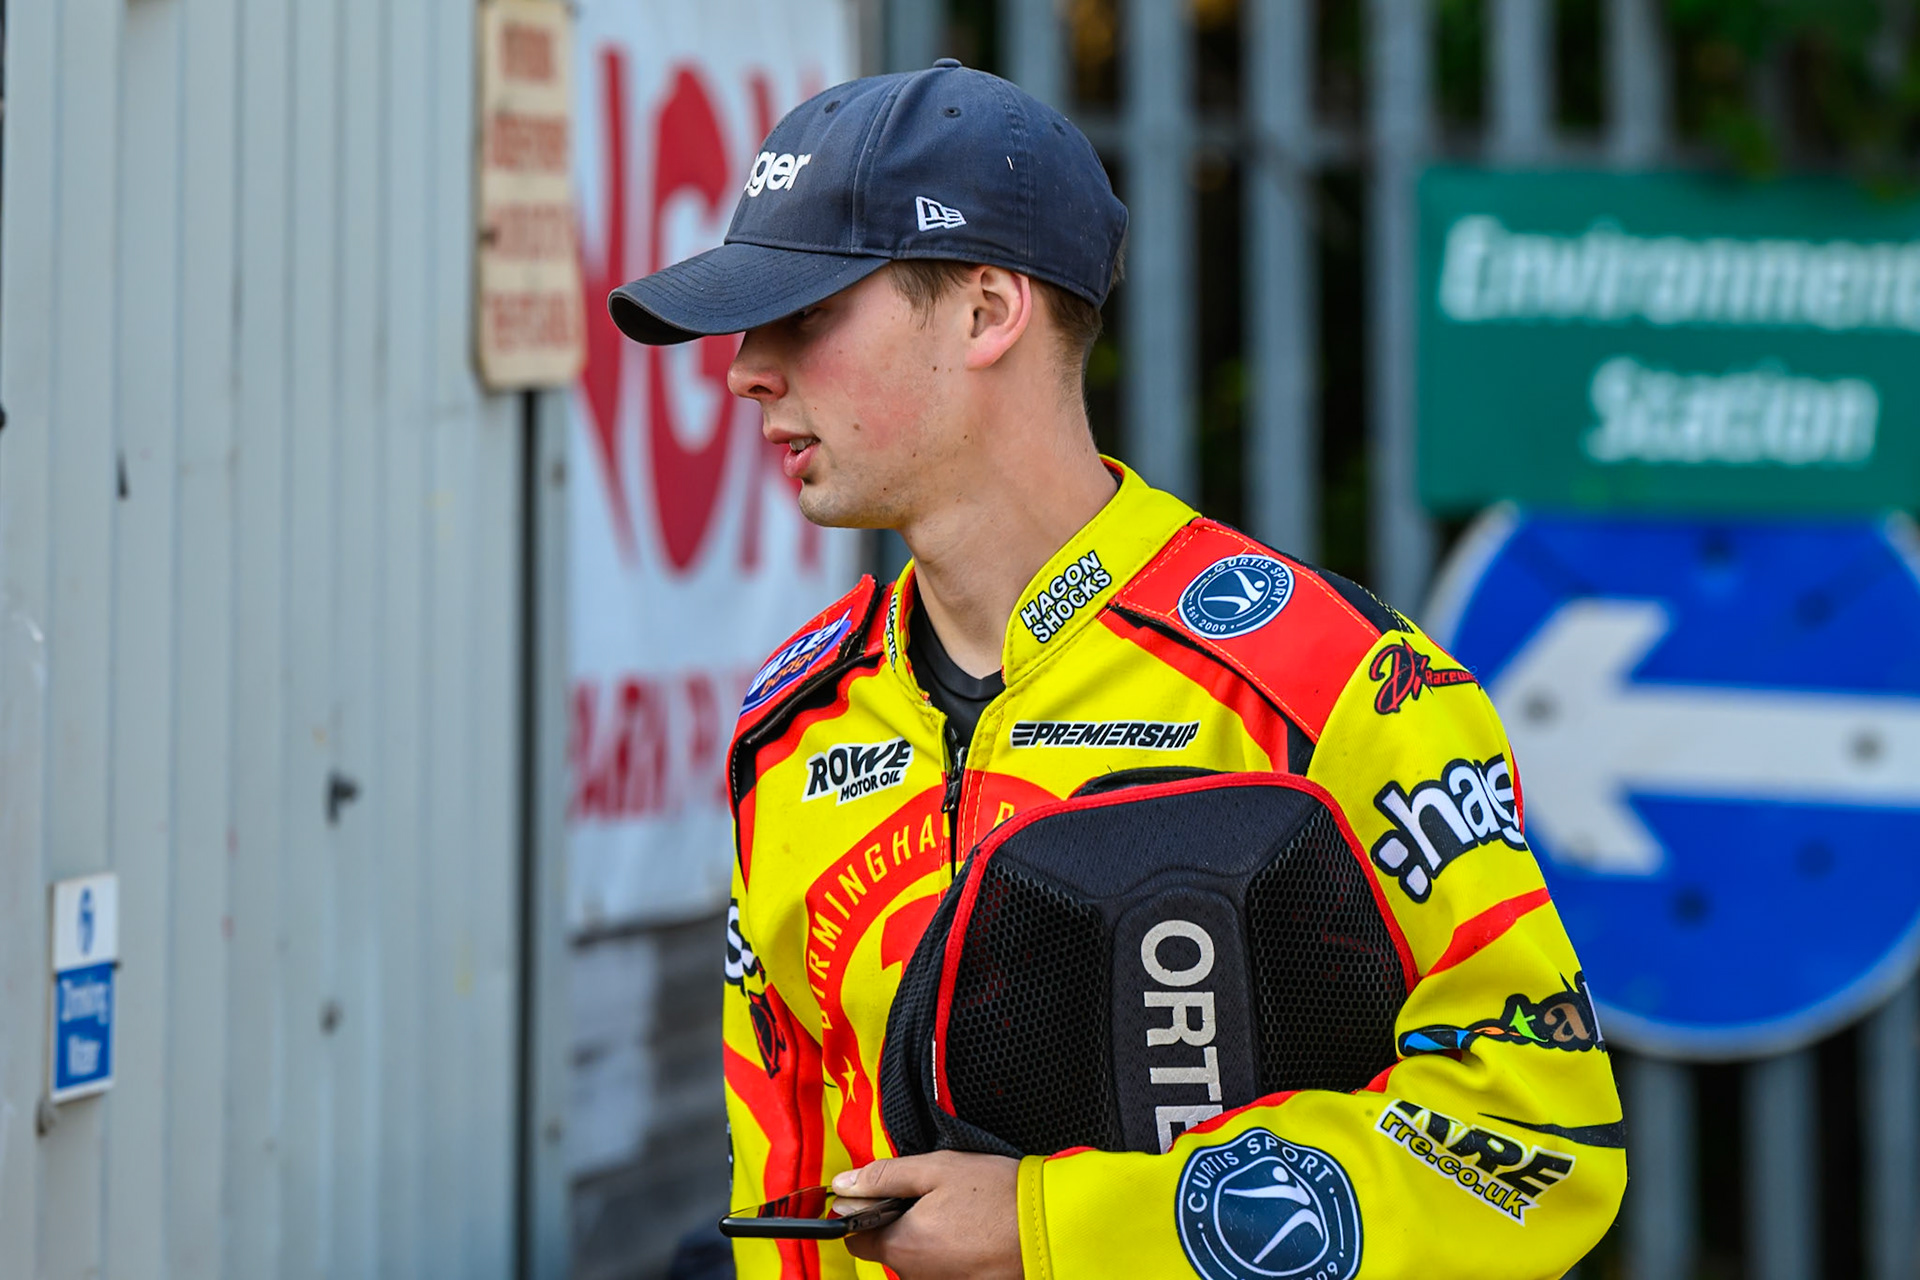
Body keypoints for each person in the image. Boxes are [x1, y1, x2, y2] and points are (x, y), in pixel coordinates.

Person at [610, 59, 1625, 1280]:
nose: (743, 369)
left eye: (805, 313)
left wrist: (1058, 1224)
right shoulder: (790, 722)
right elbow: (785, 1188)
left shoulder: (1322, 681)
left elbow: (1537, 1144)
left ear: (987, 312)